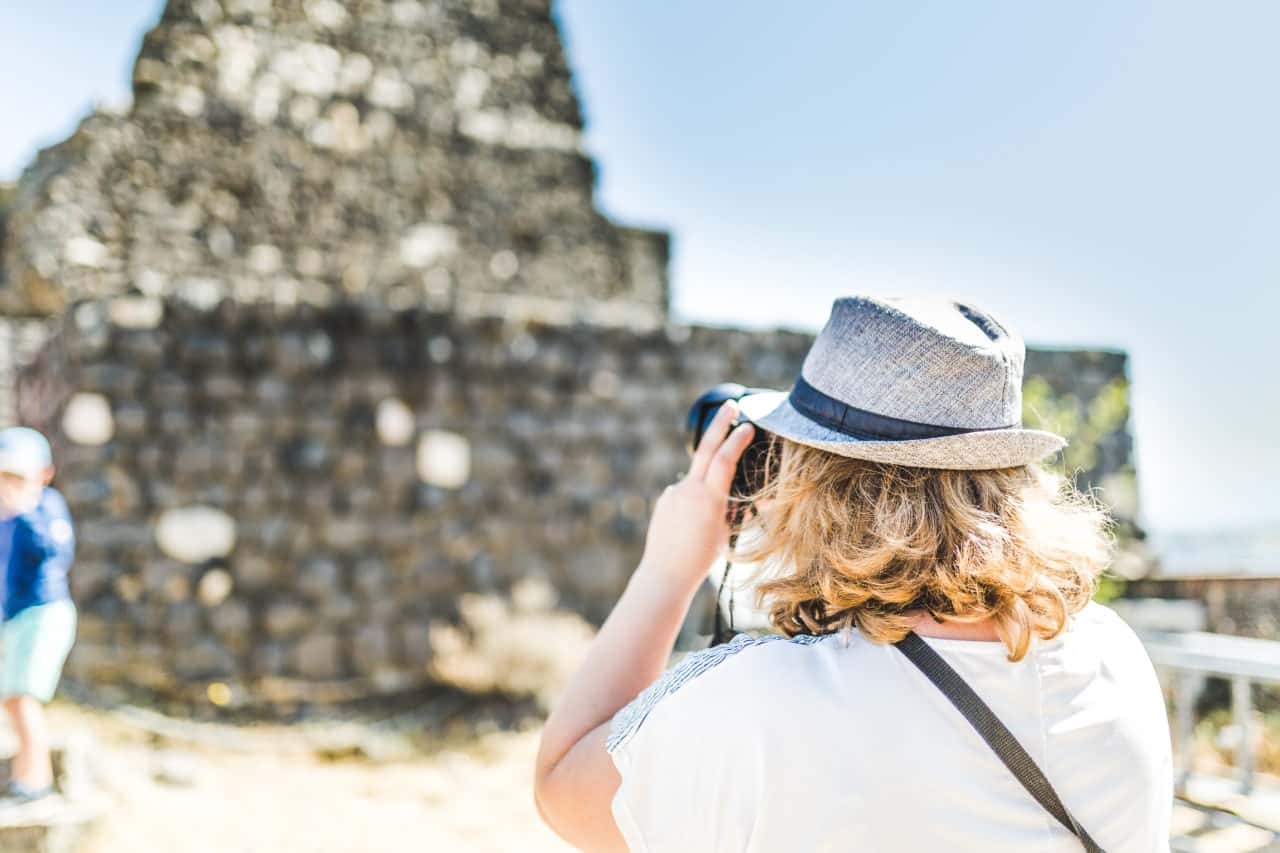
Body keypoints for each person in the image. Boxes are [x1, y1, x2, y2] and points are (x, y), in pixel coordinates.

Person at [533, 294, 1172, 852]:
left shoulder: (754, 707)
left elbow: (563, 786)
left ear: (811, 481)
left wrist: (668, 569)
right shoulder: (1111, 654)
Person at [0, 426, 76, 805]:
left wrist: (26, 510)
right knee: (11, 698)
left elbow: (56, 555)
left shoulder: (46, 508)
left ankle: (36, 783)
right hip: (15, 616)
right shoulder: (4, 519)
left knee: (23, 696)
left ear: (43, 474)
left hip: (44, 612)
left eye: (18, 475)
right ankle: (23, 775)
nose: (8, 484)